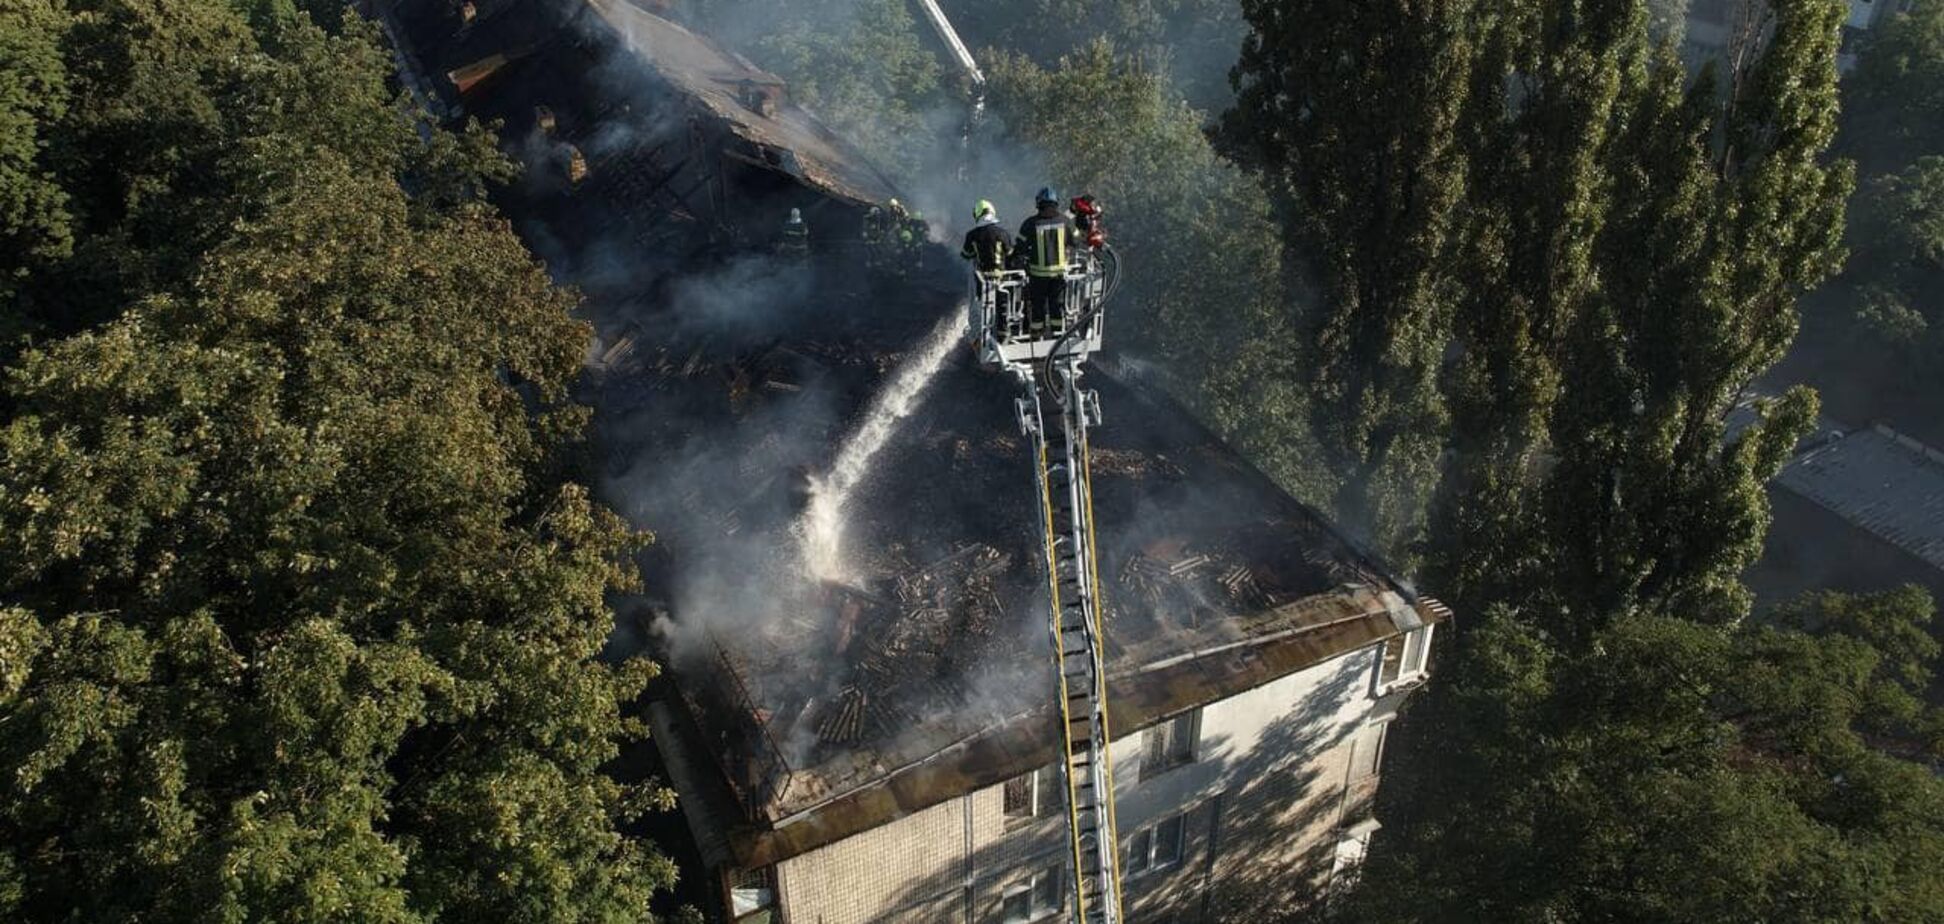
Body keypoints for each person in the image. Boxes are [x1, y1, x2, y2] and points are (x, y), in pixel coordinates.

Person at [1016, 186, 1075, 334]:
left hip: (1037, 276)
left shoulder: (1030, 224)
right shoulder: (1066, 222)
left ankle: (1036, 335)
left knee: (1038, 307)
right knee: (1056, 306)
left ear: (1039, 204)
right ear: (1056, 203)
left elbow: (1019, 248)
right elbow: (1076, 240)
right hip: (1058, 276)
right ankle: (1057, 335)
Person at [961, 199, 1014, 338]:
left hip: (982, 278)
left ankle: (985, 333)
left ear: (977, 215)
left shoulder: (972, 235)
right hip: (1001, 277)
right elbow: (1010, 253)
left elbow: (966, 254)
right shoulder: (1002, 233)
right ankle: (1002, 332)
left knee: (984, 304)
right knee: (1002, 304)